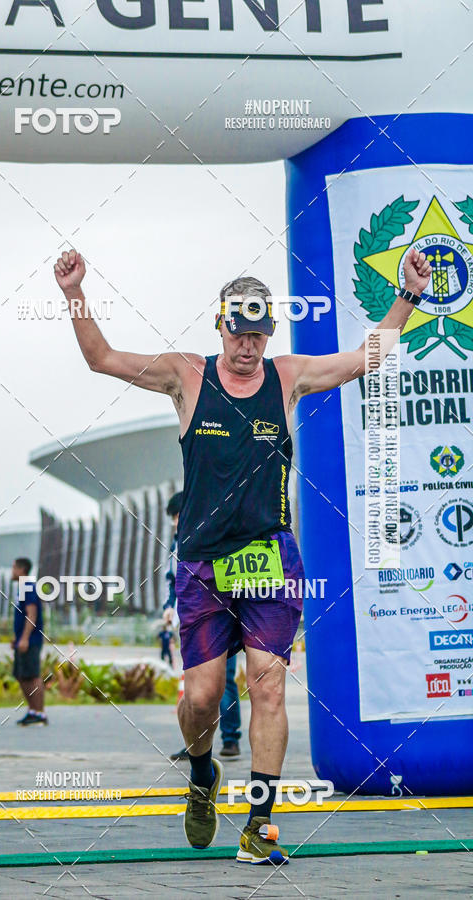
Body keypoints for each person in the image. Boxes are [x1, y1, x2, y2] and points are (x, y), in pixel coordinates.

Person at [54, 246, 431, 864]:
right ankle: (202, 776)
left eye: (258, 335)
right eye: (239, 333)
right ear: (220, 324)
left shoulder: (287, 376)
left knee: (268, 689)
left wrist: (407, 296)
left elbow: (369, 357)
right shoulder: (186, 375)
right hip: (202, 563)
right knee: (202, 699)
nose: (247, 348)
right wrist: (73, 292)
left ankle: (260, 827)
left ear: (269, 334)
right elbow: (101, 358)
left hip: (270, 560)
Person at [166, 491, 242, 761]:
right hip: (190, 617)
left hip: (221, 615)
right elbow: (171, 579)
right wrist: (168, 607)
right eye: (173, 518)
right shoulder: (177, 543)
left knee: (224, 681)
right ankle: (196, 745)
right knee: (195, 683)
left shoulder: (213, 532)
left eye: (178, 515)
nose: (176, 522)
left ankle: (231, 737)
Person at [11, 557, 47, 726]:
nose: (12, 571)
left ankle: (40, 713)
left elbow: (31, 615)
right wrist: (16, 637)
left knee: (32, 676)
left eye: (14, 568)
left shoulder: (28, 587)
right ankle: (32, 711)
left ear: (22, 569)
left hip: (31, 640)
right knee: (21, 675)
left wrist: (25, 638)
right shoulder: (22, 588)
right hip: (23, 639)